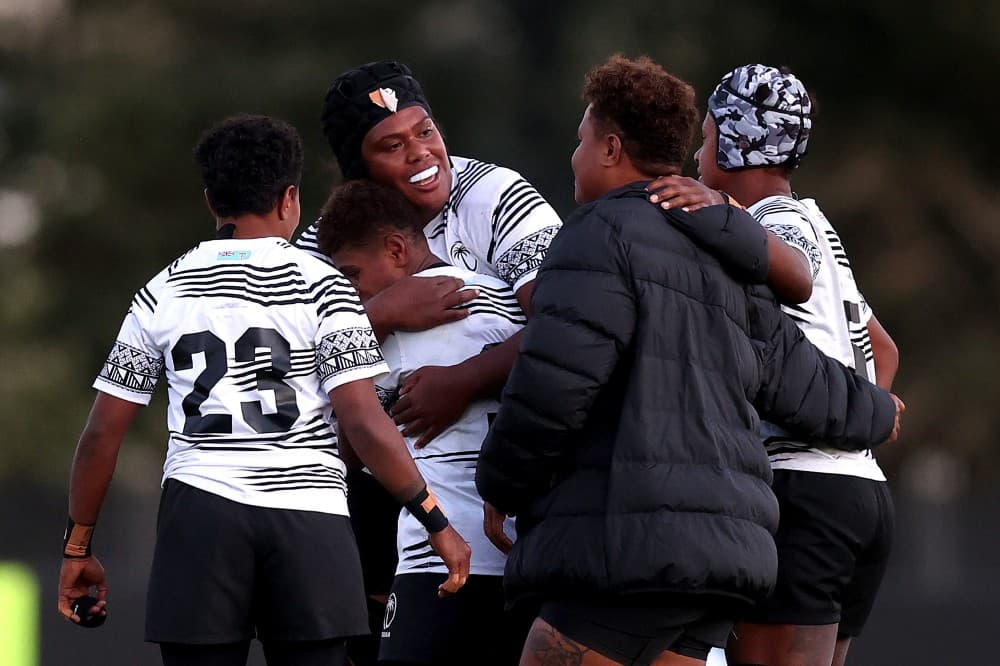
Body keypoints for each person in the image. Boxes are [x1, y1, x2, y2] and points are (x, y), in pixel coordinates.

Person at [475, 55, 902, 666]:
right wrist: (876, 410)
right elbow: (798, 375)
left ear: (610, 148)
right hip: (728, 555)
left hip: (629, 549)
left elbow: (554, 385)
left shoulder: (598, 233)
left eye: (580, 141)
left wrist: (500, 482)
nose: (572, 157)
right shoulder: (728, 252)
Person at [56, 115, 470, 666]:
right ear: (290, 199)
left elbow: (102, 432)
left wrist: (78, 546)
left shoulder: (164, 290)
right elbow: (365, 424)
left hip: (200, 513)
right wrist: (436, 521)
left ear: (211, 202)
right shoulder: (324, 286)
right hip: (309, 517)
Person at [296, 59, 563, 663]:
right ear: (359, 171)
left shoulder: (496, 194)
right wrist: (383, 312)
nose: (421, 154)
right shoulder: (327, 241)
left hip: (498, 487)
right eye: (392, 145)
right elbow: (291, 368)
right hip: (385, 492)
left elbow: (566, 329)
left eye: (425, 130)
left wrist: (462, 381)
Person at [680, 64, 899, 666]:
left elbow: (790, 288)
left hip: (805, 492)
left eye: (705, 138)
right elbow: (883, 349)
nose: (697, 157)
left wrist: (714, 212)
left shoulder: (769, 228)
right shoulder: (817, 222)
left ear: (737, 139)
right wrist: (862, 417)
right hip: (863, 492)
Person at [316, 179, 529, 665]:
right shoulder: (506, 303)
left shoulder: (384, 338)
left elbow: (348, 451)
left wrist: (372, 318)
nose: (348, 293)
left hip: (440, 561)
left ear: (396, 249)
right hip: (522, 558)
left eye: (351, 276)